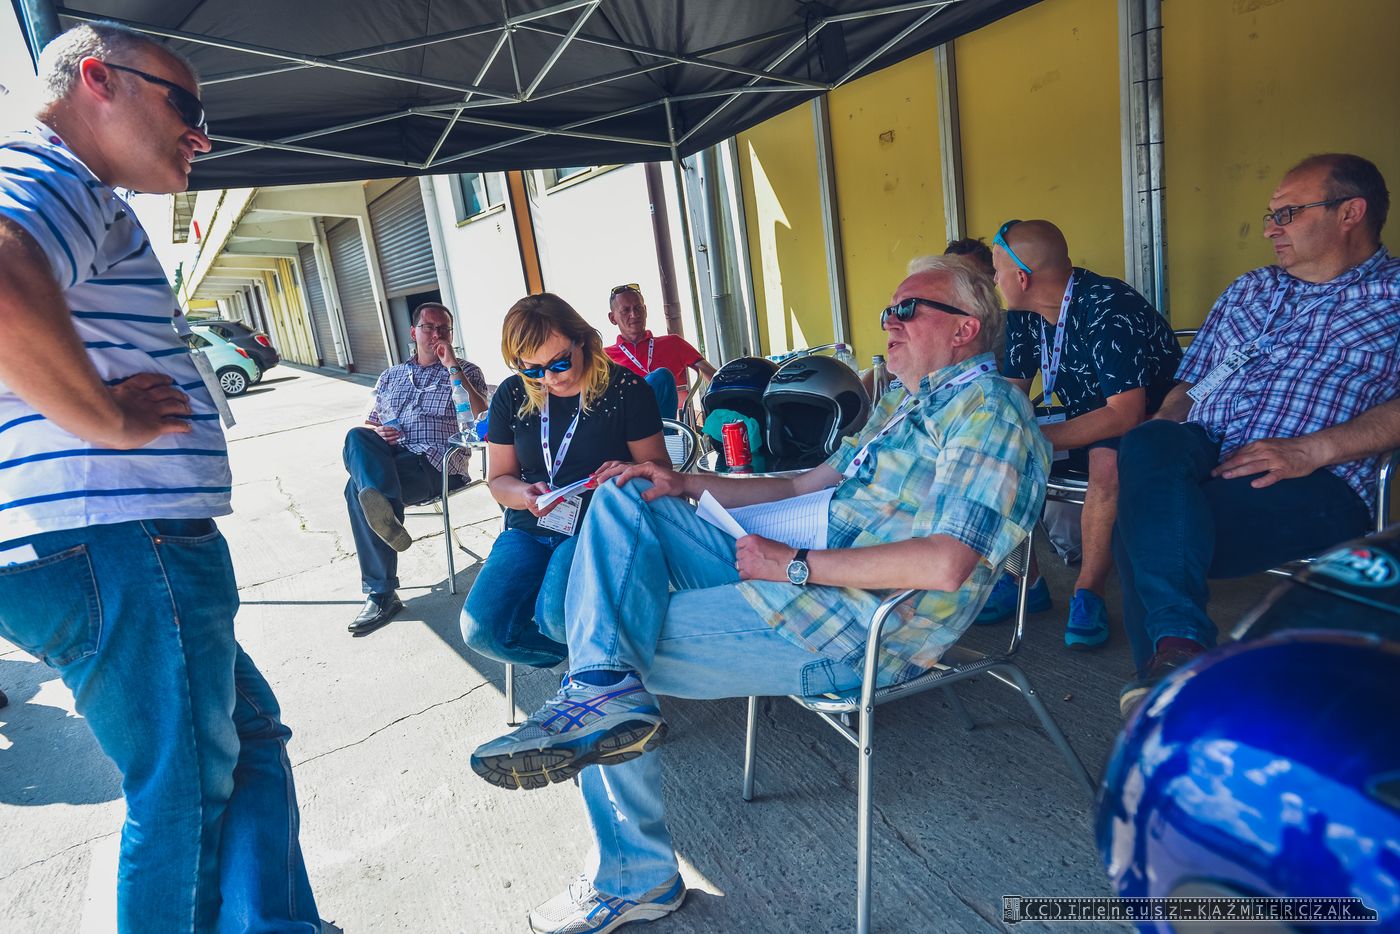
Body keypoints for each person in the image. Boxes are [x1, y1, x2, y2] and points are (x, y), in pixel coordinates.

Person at [467, 257, 1049, 933]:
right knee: (630, 492)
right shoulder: (903, 404)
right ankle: (601, 692)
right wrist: (686, 484)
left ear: (965, 328)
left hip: (852, 628)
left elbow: (947, 564)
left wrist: (794, 564)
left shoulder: (989, 409)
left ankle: (632, 870)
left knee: (603, 629)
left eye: (905, 309)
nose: (887, 321)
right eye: (888, 308)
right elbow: (802, 485)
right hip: (802, 580)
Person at [0, 23, 319, 932]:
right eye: (185, 105)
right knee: (181, 795)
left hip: (115, 547)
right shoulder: (55, 173)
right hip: (120, 544)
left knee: (247, 743)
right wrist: (110, 420)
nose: (201, 136)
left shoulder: (69, 189)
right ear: (97, 80)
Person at [1114, 153, 1400, 716]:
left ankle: (1170, 682)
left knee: (1145, 527)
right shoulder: (1251, 288)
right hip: (1202, 449)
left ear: (1351, 212)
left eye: (1287, 214)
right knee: (1146, 443)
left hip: (1316, 477)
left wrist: (1312, 449)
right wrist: (1167, 426)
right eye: (1271, 215)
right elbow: (1190, 385)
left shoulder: (1394, 295)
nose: (1270, 229)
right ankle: (1180, 661)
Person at [988, 219, 1182, 650]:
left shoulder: (1107, 304)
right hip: (1084, 415)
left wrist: (1036, 440)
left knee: (1105, 460)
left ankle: (1088, 592)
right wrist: (998, 433)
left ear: (1022, 277)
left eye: (997, 271)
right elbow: (1014, 393)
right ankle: (1025, 582)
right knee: (998, 450)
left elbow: (1125, 415)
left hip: (1152, 422)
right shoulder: (1023, 314)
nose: (995, 281)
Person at [459, 293, 668, 670]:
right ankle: (580, 659)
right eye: (532, 369)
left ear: (582, 341)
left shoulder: (625, 390)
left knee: (557, 617)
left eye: (559, 363)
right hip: (529, 527)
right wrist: (524, 494)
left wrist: (627, 468)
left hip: (596, 527)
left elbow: (660, 471)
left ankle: (595, 666)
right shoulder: (512, 394)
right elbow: (499, 480)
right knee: (482, 631)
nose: (549, 378)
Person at [343, 301, 488, 635]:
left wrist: (453, 367)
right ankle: (386, 512)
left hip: (436, 465)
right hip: (392, 459)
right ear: (413, 332)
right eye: (429, 327)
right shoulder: (390, 376)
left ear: (451, 334)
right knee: (356, 437)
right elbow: (370, 423)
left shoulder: (467, 370)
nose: (436, 334)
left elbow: (483, 418)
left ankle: (381, 593)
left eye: (444, 328)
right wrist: (380, 432)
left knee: (356, 491)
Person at [604, 283, 716, 418]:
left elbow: (714, 376)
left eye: (638, 308)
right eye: (625, 310)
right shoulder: (604, 357)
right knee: (660, 377)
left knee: (662, 377)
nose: (634, 314)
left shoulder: (673, 343)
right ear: (612, 318)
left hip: (665, 426)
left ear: (645, 310)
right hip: (626, 425)